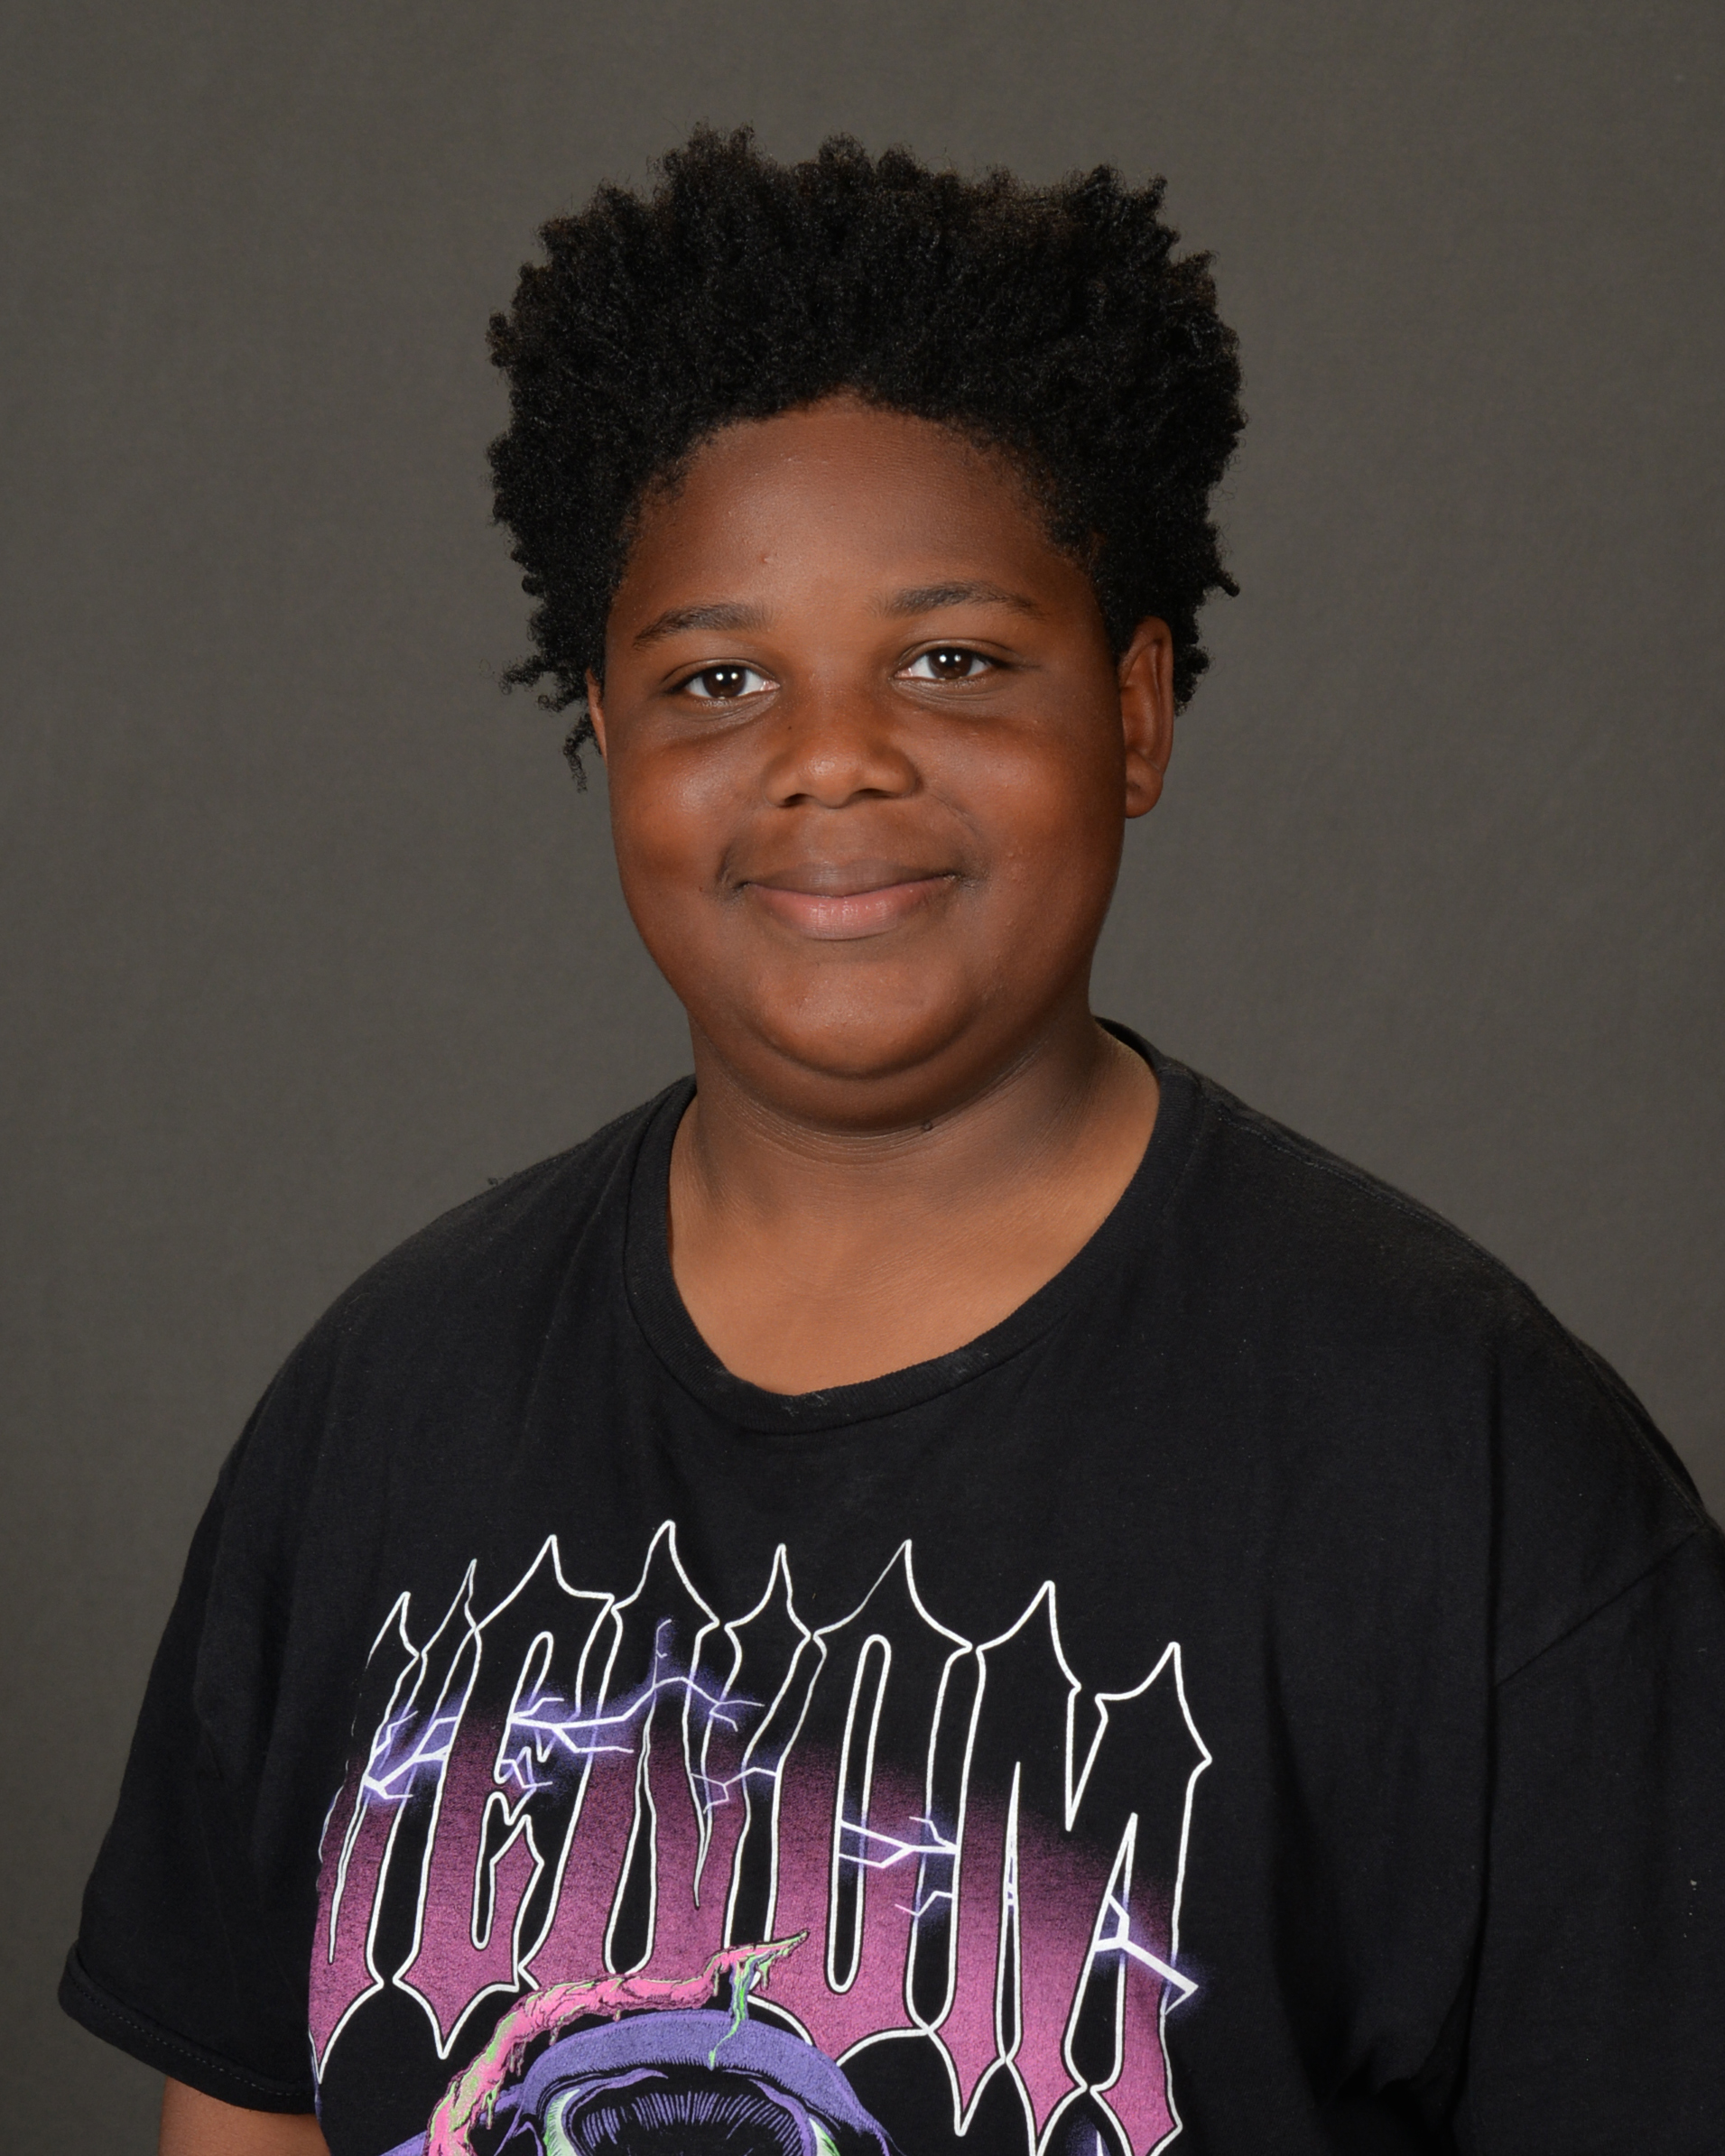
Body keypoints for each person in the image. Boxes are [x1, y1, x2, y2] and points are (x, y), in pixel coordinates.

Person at [61, 127, 1724, 2156]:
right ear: (604, 730)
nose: (831, 756)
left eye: (951, 660)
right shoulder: (381, 1418)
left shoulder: (1466, 1475)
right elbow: (240, 2115)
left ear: (1134, 711)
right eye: (718, 676)